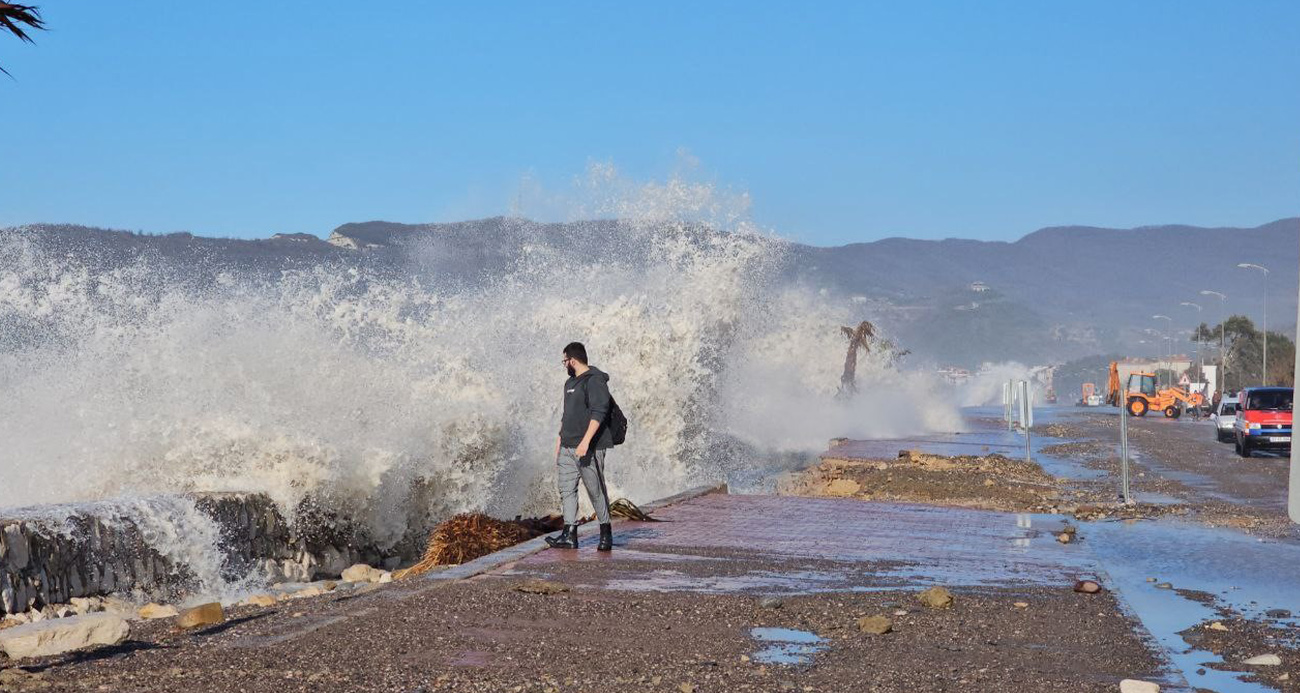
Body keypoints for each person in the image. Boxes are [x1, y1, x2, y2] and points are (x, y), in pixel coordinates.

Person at [545, 342, 615, 552]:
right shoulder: (569, 383)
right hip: (567, 446)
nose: (564, 364)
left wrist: (585, 442)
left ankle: (606, 532)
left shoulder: (594, 381)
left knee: (595, 490)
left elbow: (599, 412)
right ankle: (569, 534)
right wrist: (560, 438)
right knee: (566, 489)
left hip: (589, 447)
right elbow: (567, 415)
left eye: (564, 360)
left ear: (572, 360)